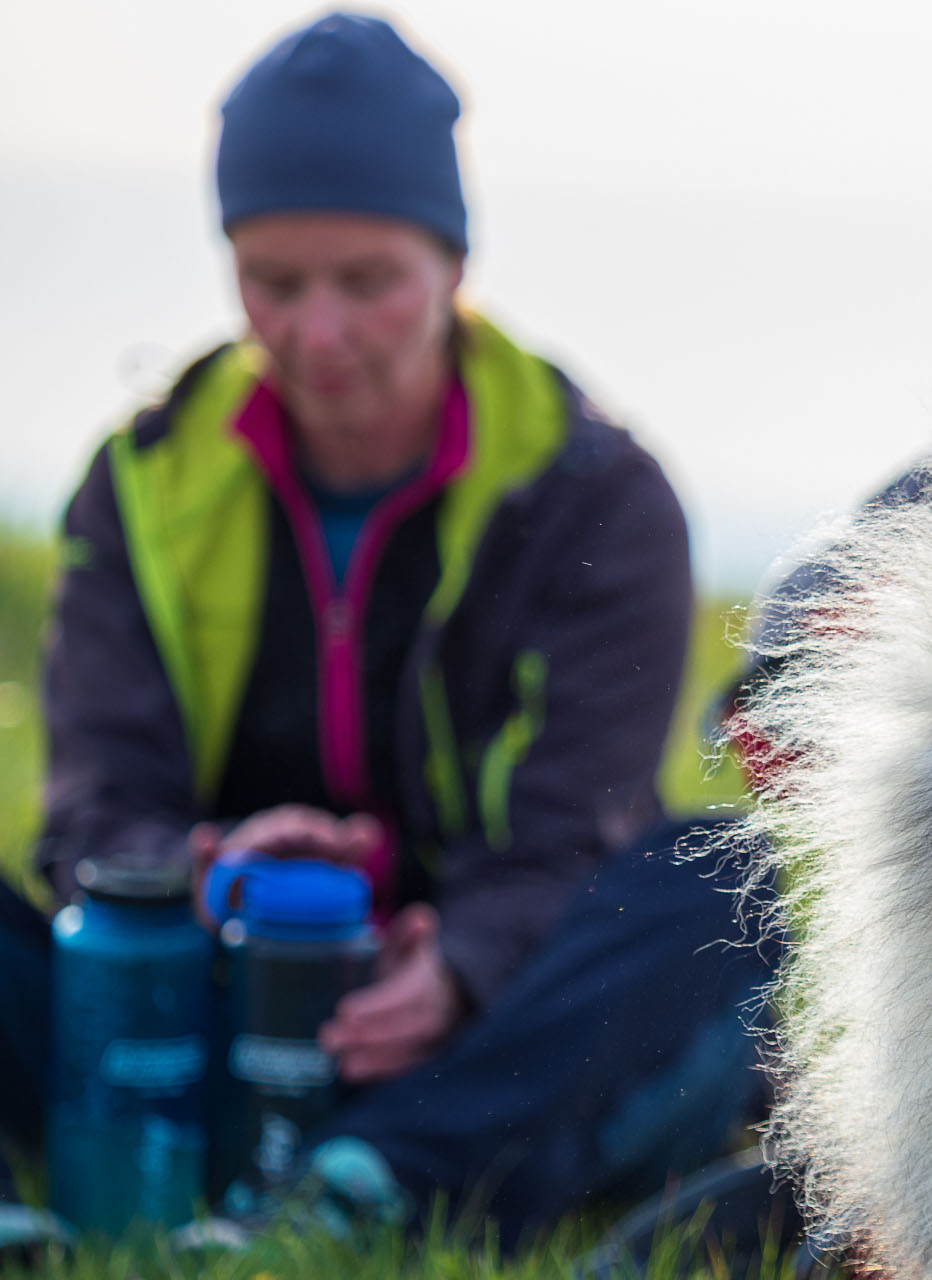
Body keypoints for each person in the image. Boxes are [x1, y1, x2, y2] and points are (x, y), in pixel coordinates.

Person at [0, 10, 769, 1251]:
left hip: (486, 1029)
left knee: (720, 888)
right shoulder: (136, 483)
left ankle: (361, 1186)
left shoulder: (600, 497)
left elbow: (570, 838)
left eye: (367, 281)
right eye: (273, 282)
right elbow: (92, 820)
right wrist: (214, 871)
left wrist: (455, 964)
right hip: (184, 998)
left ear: (452, 263)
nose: (317, 334)